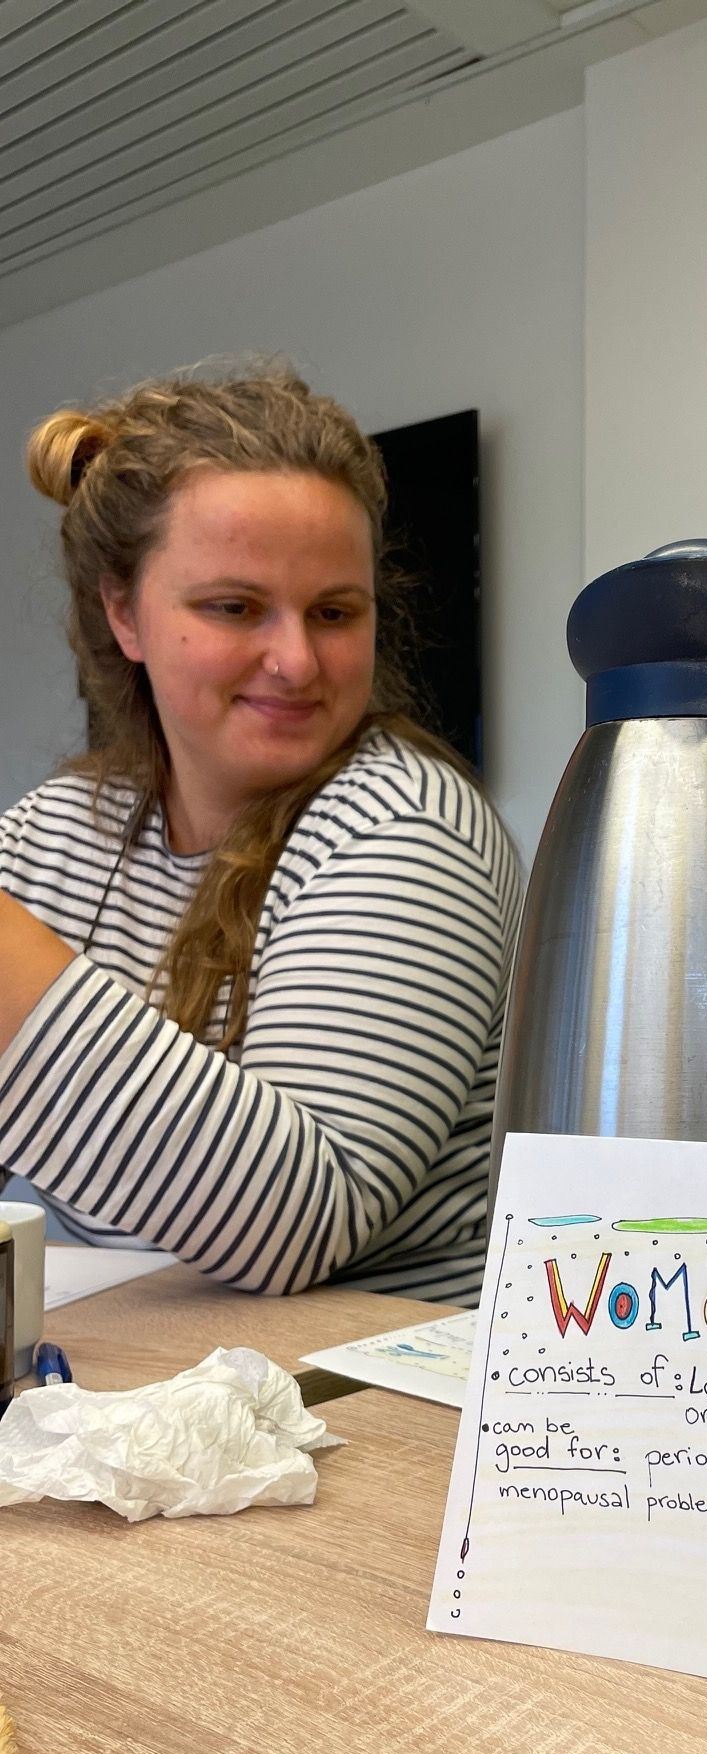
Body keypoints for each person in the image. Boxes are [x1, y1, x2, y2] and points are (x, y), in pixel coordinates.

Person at [0, 365, 522, 1303]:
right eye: (235, 608)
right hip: (130, 1382)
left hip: (366, 1402)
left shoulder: (407, 826)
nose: (295, 660)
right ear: (125, 614)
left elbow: (294, 1225)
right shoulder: (61, 831)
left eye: (334, 613)